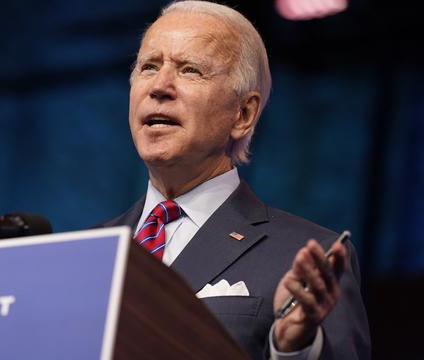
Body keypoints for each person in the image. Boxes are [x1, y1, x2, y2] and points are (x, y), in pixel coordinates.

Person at [100, 1, 371, 359]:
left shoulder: (309, 257)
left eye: (190, 70)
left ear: (243, 114)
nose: (160, 86)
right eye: (149, 67)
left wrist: (295, 349)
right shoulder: (90, 252)